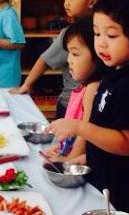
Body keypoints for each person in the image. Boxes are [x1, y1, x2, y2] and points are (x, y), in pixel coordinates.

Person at [48, 0, 129, 215]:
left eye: (112, 35)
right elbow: (104, 133)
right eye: (97, 34)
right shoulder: (112, 73)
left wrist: (79, 127)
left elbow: (126, 143)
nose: (101, 43)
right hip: (101, 184)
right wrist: (85, 159)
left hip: (123, 195)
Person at [12, 0, 110, 117]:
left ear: (92, 2)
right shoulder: (75, 33)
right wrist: (27, 85)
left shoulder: (83, 34)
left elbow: (44, 60)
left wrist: (27, 84)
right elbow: (45, 59)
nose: (66, 3)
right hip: (71, 103)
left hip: (93, 106)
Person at [41, 16, 106, 162]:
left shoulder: (92, 89)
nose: (69, 60)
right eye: (69, 53)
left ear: (98, 55)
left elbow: (84, 133)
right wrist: (61, 149)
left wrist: (70, 158)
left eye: (75, 54)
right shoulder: (81, 86)